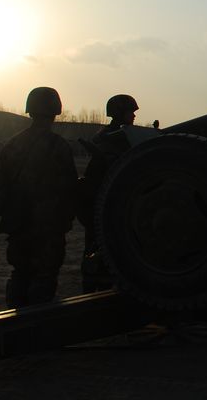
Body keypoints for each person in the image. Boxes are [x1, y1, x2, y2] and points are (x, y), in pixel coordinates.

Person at [0, 87, 77, 308]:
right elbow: (69, 186)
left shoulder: (12, 144)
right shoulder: (58, 146)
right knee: (44, 276)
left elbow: (1, 181)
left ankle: (15, 320)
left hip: (18, 222)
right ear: (55, 111)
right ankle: (37, 329)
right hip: (47, 224)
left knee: (20, 272)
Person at [78, 93, 138, 292]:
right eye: (131, 111)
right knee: (97, 252)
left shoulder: (125, 136)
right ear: (120, 113)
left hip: (117, 205)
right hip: (105, 205)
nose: (134, 116)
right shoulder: (111, 141)